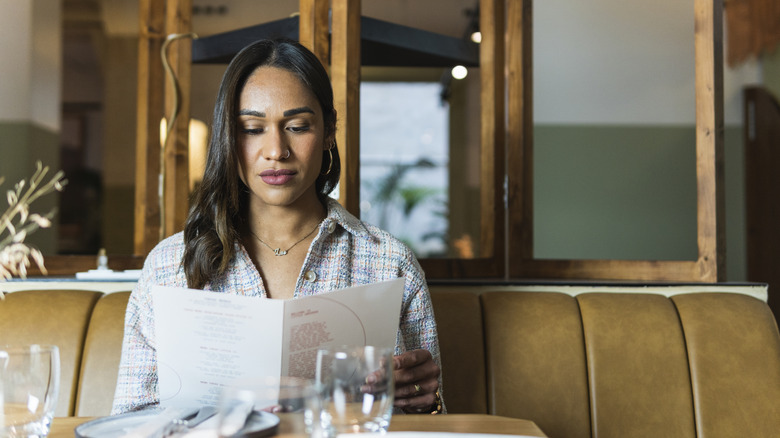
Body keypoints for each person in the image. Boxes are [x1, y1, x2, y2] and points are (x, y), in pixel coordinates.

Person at [111, 39, 444, 415]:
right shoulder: (170, 266)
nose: (276, 150)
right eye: (252, 129)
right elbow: (131, 419)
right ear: (228, 137)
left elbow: (427, 419)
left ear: (329, 130)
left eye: (298, 126)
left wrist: (424, 402)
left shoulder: (389, 262)